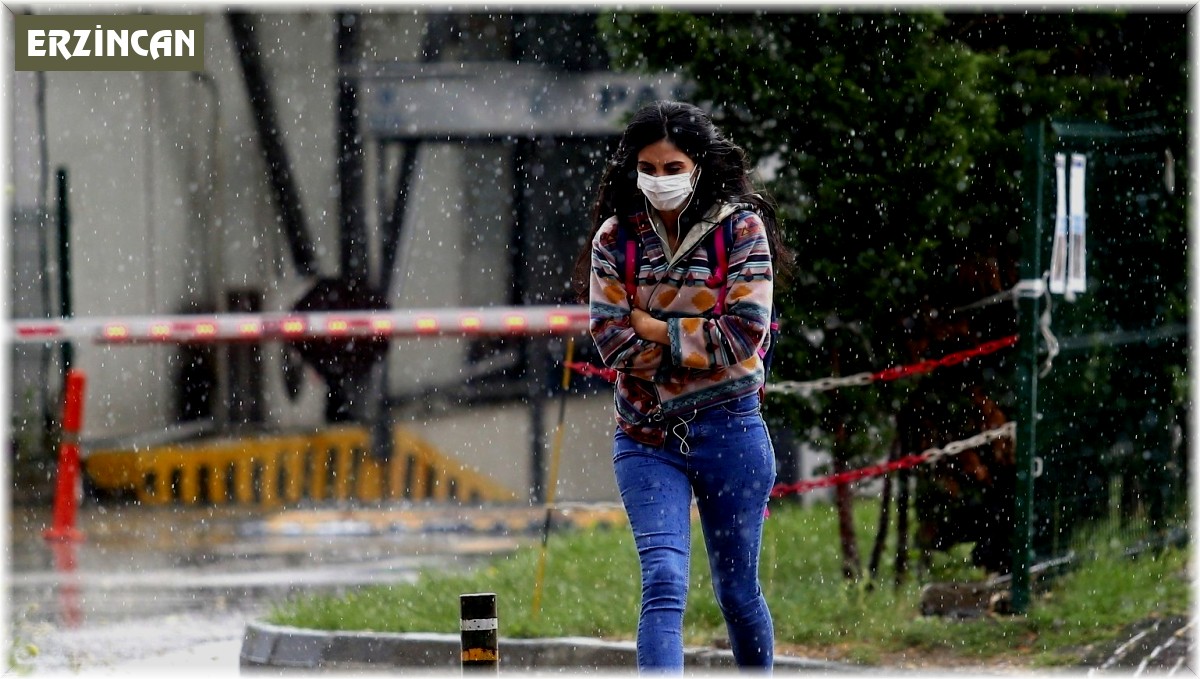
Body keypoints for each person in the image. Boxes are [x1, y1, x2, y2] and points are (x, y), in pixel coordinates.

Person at [571, 101, 793, 672]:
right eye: (649, 168)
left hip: (732, 432)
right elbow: (612, 341)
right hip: (646, 438)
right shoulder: (615, 240)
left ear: (699, 166)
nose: (660, 180)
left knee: (737, 592)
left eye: (673, 168)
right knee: (664, 580)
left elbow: (743, 334)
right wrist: (698, 337)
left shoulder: (741, 230)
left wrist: (654, 326)